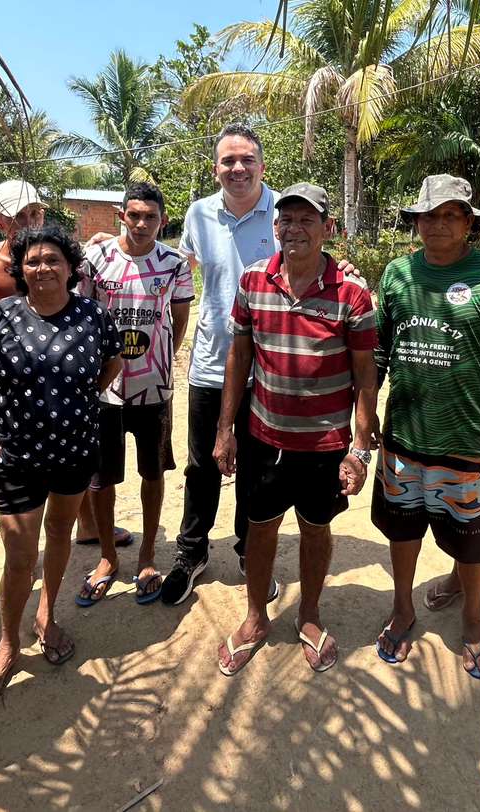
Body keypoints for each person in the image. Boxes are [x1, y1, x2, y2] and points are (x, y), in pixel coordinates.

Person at [163, 123, 359, 606]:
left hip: (272, 372)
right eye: (227, 161)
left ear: (262, 166)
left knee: (256, 470)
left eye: (246, 159)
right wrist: (115, 247)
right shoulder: (198, 214)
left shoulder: (285, 213)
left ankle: (251, 550)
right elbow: (179, 268)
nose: (237, 168)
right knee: (202, 465)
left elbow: (313, 258)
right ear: (216, 168)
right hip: (214, 362)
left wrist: (345, 266)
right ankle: (191, 551)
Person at [372, 175, 480, 678]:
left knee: (473, 541)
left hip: (469, 441)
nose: (438, 223)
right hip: (404, 436)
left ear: (469, 223)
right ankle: (403, 607)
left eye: (450, 215)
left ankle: (472, 618)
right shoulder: (398, 273)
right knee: (403, 533)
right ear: (416, 222)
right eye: (429, 215)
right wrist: (361, 418)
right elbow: (378, 351)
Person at [213, 183, 377, 675]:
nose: (294, 228)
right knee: (259, 529)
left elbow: (365, 372)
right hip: (264, 437)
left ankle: (308, 615)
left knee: (315, 529)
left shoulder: (353, 293)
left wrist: (360, 448)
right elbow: (239, 356)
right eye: (286, 219)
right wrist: (226, 428)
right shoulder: (252, 281)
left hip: (325, 443)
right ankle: (256, 617)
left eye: (307, 219)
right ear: (274, 227)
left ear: (328, 228)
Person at [0, 224, 123, 707]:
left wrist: (75, 402)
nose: (42, 268)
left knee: (60, 535)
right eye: (32, 260)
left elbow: (111, 364)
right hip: (17, 456)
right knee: (18, 553)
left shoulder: (94, 316)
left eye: (52, 259)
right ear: (19, 268)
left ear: (72, 267)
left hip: (76, 451)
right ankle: (8, 644)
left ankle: (48, 616)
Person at [74, 183, 193, 607]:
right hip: (103, 390)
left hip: (154, 388)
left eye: (151, 217)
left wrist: (156, 363)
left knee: (153, 473)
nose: (142, 223)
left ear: (163, 220)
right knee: (102, 477)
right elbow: (82, 315)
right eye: (135, 215)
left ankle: (146, 556)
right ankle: (107, 557)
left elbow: (178, 323)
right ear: (122, 216)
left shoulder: (174, 264)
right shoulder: (96, 259)